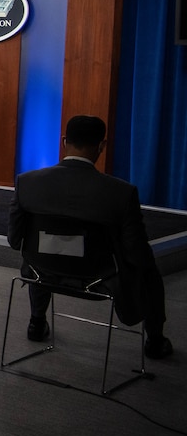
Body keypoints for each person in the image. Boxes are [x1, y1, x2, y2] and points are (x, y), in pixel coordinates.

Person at [9, 115, 171, 358]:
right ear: (101, 146)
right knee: (149, 270)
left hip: (43, 272)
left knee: (40, 254)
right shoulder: (121, 193)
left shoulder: (27, 183)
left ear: (64, 141)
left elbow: (14, 240)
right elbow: (137, 253)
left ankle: (36, 322)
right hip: (100, 277)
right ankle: (155, 341)